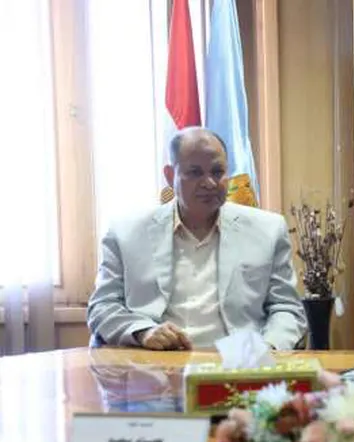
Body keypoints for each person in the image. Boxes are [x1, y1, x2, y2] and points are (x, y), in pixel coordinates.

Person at [87, 127, 306, 350]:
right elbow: (102, 306)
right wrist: (143, 332)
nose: (209, 183)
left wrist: (268, 349)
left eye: (217, 172)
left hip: (239, 362)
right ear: (170, 176)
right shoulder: (126, 232)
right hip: (155, 361)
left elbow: (286, 308)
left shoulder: (268, 230)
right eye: (195, 172)